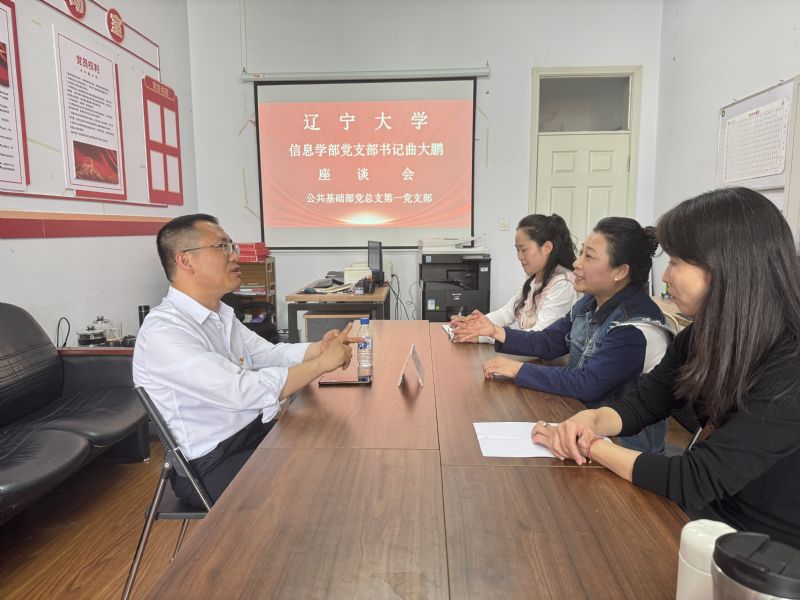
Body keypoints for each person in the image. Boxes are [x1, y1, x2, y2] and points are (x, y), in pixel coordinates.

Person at [532, 188, 800, 547]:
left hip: (769, 548)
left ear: (725, 267)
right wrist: (591, 420)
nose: (665, 277)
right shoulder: (702, 337)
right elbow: (646, 402)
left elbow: (695, 477)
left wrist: (590, 444)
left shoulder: (789, 366)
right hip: (706, 519)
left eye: (676, 262)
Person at [133, 214, 355, 507]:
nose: (235, 256)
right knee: (321, 477)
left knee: (335, 445)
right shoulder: (165, 332)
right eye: (222, 247)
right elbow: (241, 391)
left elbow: (269, 355)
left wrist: (317, 349)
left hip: (249, 435)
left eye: (232, 246)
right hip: (208, 466)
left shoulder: (220, 315)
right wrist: (320, 365)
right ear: (186, 261)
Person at [452, 217, 672, 453]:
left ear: (620, 271)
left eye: (589, 257)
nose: (576, 263)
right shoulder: (589, 303)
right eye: (581, 252)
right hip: (581, 421)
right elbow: (549, 341)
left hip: (624, 447)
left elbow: (587, 383)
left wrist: (518, 370)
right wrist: (495, 331)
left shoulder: (635, 328)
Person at [453, 214, 577, 341]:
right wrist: (473, 325)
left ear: (547, 248)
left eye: (524, 250)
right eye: (517, 250)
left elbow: (539, 337)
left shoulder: (563, 284)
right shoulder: (533, 281)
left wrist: (482, 336)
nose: (519, 256)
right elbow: (505, 314)